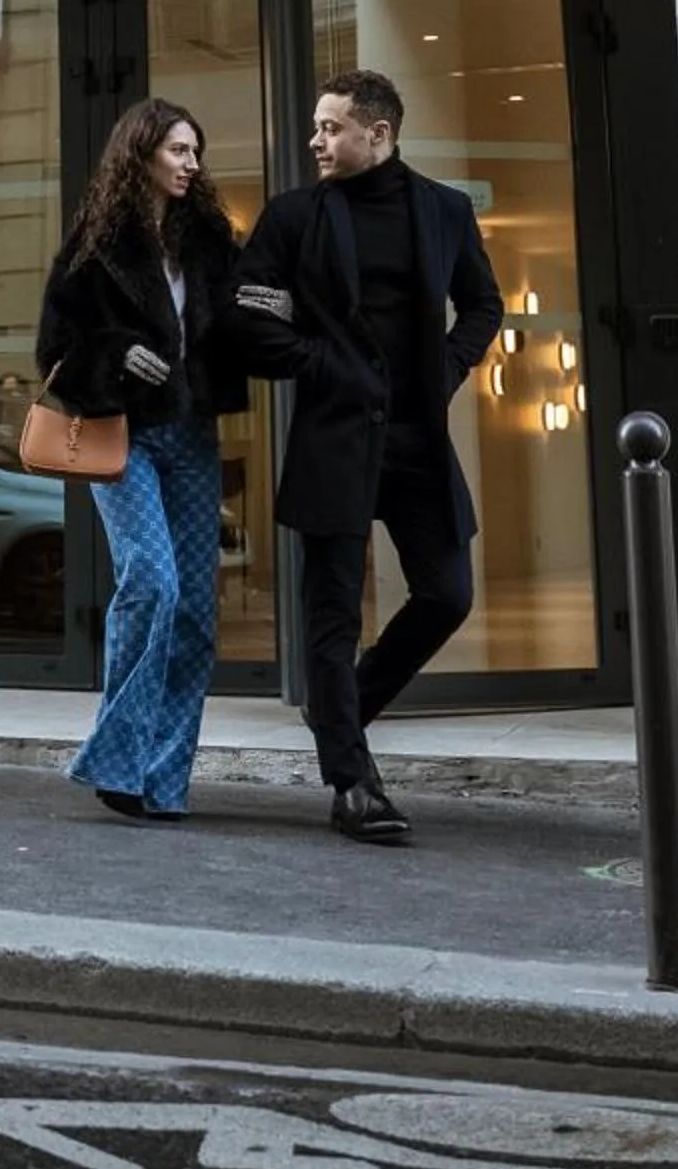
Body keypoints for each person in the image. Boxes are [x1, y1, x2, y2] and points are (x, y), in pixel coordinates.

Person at [233, 67, 503, 843]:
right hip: (335, 435)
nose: (316, 140)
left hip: (417, 436)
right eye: (317, 127)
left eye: (330, 127)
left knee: (447, 594)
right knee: (332, 612)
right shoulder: (291, 218)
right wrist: (320, 364)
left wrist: (446, 370)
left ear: (377, 133)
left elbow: (484, 303)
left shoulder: (445, 211)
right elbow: (248, 317)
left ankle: (338, 708)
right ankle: (353, 782)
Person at [37, 98, 245, 823]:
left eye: (197, 152)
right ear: (142, 153)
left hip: (191, 434)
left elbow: (244, 317)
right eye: (179, 150)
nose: (192, 164)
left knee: (193, 610)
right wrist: (113, 353)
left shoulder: (210, 237)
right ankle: (117, 759)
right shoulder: (96, 242)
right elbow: (53, 350)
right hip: (120, 431)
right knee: (152, 582)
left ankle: (159, 779)